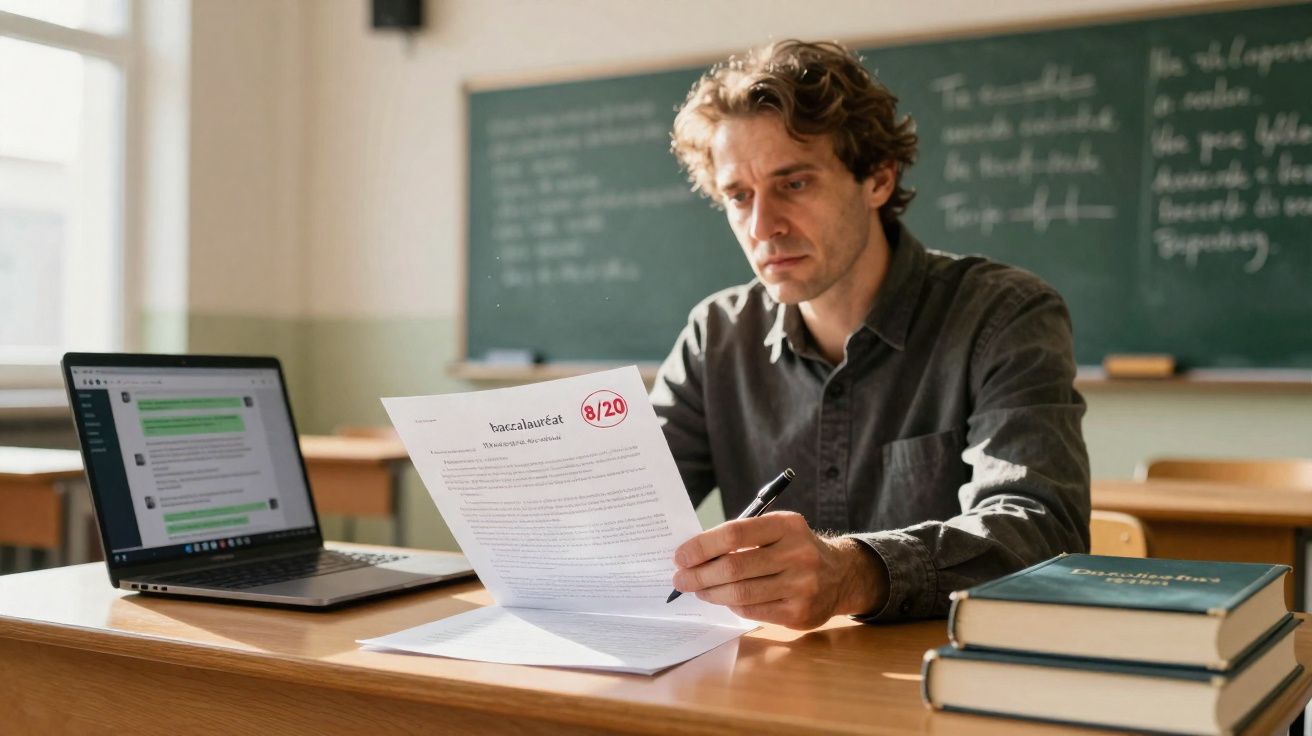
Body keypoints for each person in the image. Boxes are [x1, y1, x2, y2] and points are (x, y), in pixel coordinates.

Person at [654, 39, 1090, 629]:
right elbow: (630, 507)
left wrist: (855, 572)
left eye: (795, 183)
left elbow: (1042, 527)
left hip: (941, 679)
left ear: (878, 179)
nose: (763, 226)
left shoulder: (1003, 315)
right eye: (738, 196)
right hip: (774, 683)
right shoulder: (716, 335)